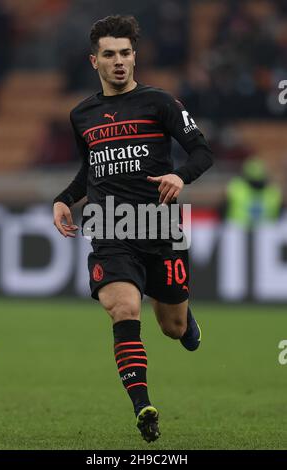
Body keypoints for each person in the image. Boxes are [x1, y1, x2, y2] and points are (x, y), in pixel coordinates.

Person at [53, 15, 214, 443]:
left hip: (160, 226)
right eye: (110, 54)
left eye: (125, 53)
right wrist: (63, 199)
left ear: (134, 56)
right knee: (123, 309)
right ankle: (143, 405)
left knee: (173, 329)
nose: (119, 61)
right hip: (110, 229)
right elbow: (91, 169)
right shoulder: (81, 114)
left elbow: (202, 151)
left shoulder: (160, 102)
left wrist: (182, 177)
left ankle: (182, 313)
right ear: (94, 61)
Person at [224, 157, 282, 227]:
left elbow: (278, 210)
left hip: (264, 223)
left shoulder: (272, 190)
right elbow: (224, 205)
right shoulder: (236, 186)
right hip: (239, 223)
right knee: (232, 232)